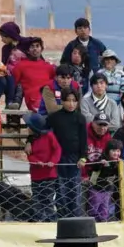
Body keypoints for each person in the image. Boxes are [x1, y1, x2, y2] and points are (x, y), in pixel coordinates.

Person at [41, 87, 88, 218]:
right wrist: (29, 141)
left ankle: (75, 218)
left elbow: (84, 140)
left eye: (74, 101)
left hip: (75, 159)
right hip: (59, 159)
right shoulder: (54, 118)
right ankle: (62, 218)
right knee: (61, 189)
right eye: (68, 100)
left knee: (75, 190)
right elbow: (41, 132)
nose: (71, 104)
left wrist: (83, 157)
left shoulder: (80, 118)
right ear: (62, 101)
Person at [23, 113, 62, 222]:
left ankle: (50, 219)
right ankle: (38, 218)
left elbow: (57, 150)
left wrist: (52, 161)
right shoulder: (31, 140)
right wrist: (37, 162)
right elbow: (30, 155)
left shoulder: (49, 136)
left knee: (48, 198)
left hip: (49, 174)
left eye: (29, 127)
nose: (27, 128)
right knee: (36, 198)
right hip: (36, 175)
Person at [12, 38, 56, 111]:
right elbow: (15, 84)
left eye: (37, 46)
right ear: (28, 50)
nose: (35, 49)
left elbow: (54, 84)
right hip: (33, 101)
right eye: (32, 46)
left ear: (41, 49)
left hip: (49, 99)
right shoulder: (20, 66)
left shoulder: (49, 67)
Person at [86, 139, 122, 223]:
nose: (116, 153)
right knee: (94, 207)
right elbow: (93, 169)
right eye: (113, 150)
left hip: (108, 189)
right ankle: (93, 223)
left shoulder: (118, 162)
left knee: (105, 208)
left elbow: (117, 175)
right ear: (107, 150)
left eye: (118, 151)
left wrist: (118, 166)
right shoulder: (101, 159)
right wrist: (100, 163)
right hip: (96, 188)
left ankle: (104, 222)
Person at [0, 21, 30, 107]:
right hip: (10, 75)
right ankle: (10, 104)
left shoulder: (26, 44)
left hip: (24, 75)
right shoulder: (5, 48)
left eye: (3, 37)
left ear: (10, 35)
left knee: (19, 84)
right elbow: (3, 64)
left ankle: (15, 103)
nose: (2, 39)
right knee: (9, 80)